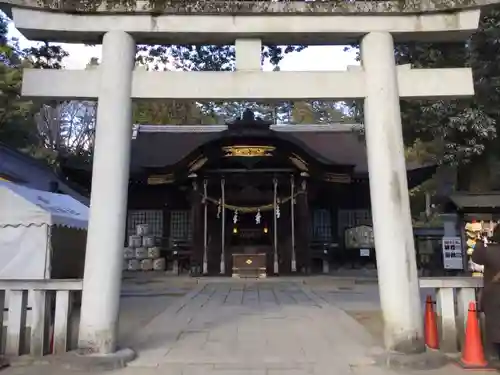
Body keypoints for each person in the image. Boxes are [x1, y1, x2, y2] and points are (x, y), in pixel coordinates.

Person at [472, 226, 500, 360]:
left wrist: (479, 242)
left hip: (493, 294)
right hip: (493, 294)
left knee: (495, 326)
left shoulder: (490, 251)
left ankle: (495, 356)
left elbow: (476, 258)